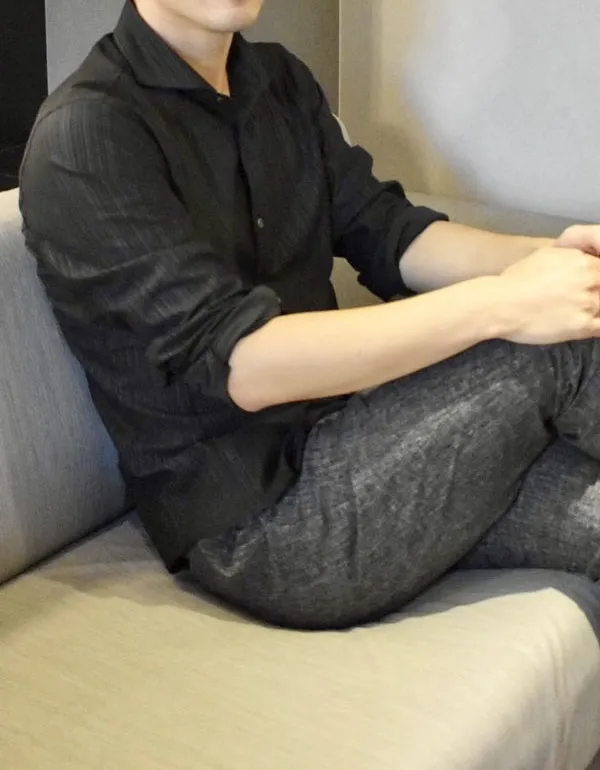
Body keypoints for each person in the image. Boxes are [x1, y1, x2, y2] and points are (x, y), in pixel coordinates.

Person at [19, 0, 600, 630]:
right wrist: (506, 303)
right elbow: (244, 365)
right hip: (266, 526)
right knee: (561, 344)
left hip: (362, 442)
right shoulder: (87, 136)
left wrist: (555, 258)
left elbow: (389, 233)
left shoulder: (279, 81)